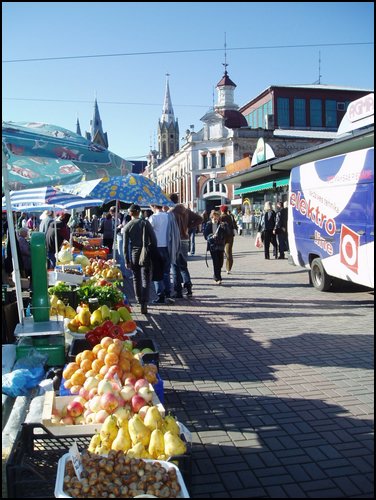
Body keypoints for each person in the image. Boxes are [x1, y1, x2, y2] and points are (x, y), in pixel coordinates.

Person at [124, 204, 157, 315]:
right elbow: (153, 239)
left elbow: (125, 246)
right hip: (145, 253)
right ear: (139, 212)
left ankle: (138, 299)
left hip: (134, 254)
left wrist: (126, 260)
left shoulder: (127, 226)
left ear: (130, 213)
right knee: (145, 278)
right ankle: (144, 302)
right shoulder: (145, 223)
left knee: (136, 278)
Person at [169, 193, 203, 297]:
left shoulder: (171, 213)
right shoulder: (186, 210)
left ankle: (178, 290)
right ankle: (188, 286)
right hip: (185, 239)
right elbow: (200, 219)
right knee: (183, 265)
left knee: (175, 265)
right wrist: (189, 226)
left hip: (175, 240)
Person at [148, 204, 175, 304]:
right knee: (166, 272)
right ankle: (168, 293)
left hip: (156, 247)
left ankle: (160, 295)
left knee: (157, 273)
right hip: (167, 246)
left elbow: (148, 231)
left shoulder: (153, 217)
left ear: (154, 207)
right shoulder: (168, 216)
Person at [204, 210, 226, 285]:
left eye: (217, 218)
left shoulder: (221, 224)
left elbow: (226, 234)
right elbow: (205, 235)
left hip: (220, 245)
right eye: (214, 218)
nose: (216, 220)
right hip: (213, 246)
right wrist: (211, 236)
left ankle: (216, 275)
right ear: (211, 218)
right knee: (215, 261)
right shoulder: (208, 224)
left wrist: (224, 227)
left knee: (220, 262)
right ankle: (217, 278)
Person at [219, 205, 237, 274]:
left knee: (220, 252)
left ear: (221, 210)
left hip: (222, 237)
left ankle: (219, 267)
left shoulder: (220, 217)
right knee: (229, 252)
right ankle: (228, 269)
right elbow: (235, 226)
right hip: (230, 236)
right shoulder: (231, 216)